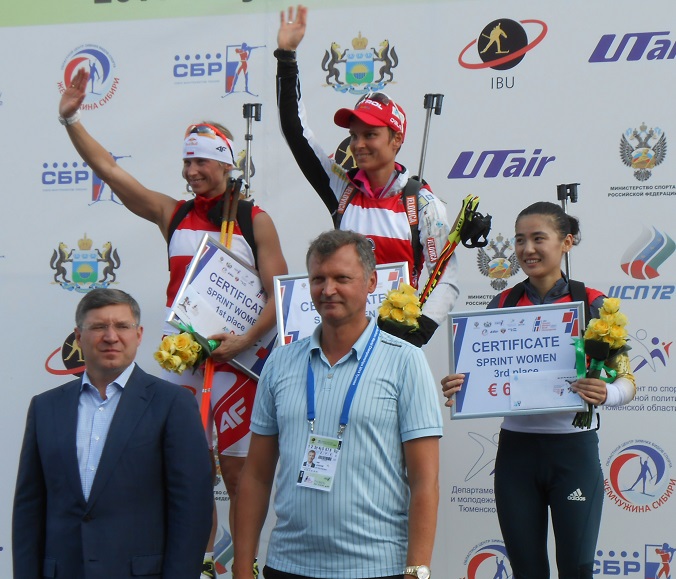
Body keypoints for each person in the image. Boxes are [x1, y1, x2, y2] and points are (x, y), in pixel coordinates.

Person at [58, 68, 288, 579]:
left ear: (225, 162)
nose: (191, 171)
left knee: (239, 474)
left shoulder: (254, 220)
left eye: (200, 160)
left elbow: (280, 295)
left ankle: (244, 567)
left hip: (238, 366)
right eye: (186, 161)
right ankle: (199, 565)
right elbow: (110, 172)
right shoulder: (174, 214)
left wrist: (246, 340)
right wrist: (71, 119)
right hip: (183, 364)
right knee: (189, 476)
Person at [441, 202, 637, 579]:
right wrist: (460, 386)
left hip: (573, 453)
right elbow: (482, 373)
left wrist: (606, 393)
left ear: (566, 242)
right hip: (517, 455)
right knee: (527, 571)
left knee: (576, 570)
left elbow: (627, 382)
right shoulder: (502, 303)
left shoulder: (594, 304)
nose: (527, 249)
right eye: (519, 240)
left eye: (538, 239)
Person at [232, 229, 442, 579]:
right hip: (288, 565)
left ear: (371, 282)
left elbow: (425, 481)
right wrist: (242, 566)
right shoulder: (280, 362)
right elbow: (255, 475)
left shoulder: (406, 361)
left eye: (342, 278)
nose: (328, 290)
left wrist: (416, 571)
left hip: (377, 568)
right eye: (319, 279)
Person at [275, 5, 459, 347]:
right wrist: (286, 59)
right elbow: (296, 133)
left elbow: (444, 274)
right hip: (342, 340)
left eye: (370, 135)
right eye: (354, 135)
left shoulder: (422, 203)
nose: (358, 144)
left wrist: (417, 331)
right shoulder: (341, 188)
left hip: (396, 344)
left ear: (396, 139)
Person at [12, 288, 213, 579]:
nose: (111, 336)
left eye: (122, 326)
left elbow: (192, 508)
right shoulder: (45, 407)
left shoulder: (173, 403)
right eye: (98, 327)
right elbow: (28, 509)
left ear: (139, 335)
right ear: (78, 337)